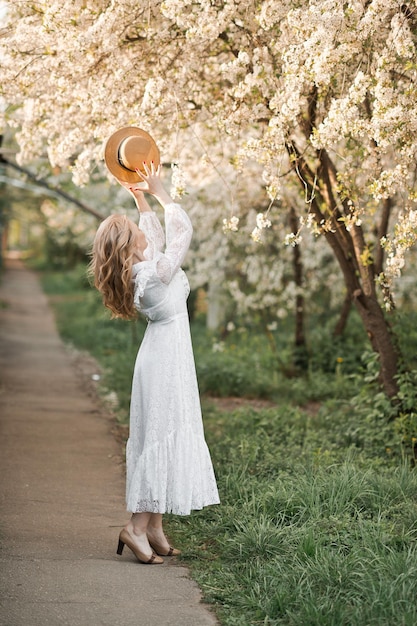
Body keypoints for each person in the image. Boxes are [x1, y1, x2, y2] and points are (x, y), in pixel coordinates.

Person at [91, 161, 220, 565]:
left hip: (166, 353)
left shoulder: (144, 269)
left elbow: (158, 238)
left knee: (167, 431)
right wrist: (163, 192)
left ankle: (154, 527)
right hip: (164, 359)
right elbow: (181, 234)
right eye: (134, 231)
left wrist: (141, 199)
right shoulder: (150, 273)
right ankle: (135, 527)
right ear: (130, 247)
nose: (141, 232)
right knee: (161, 435)